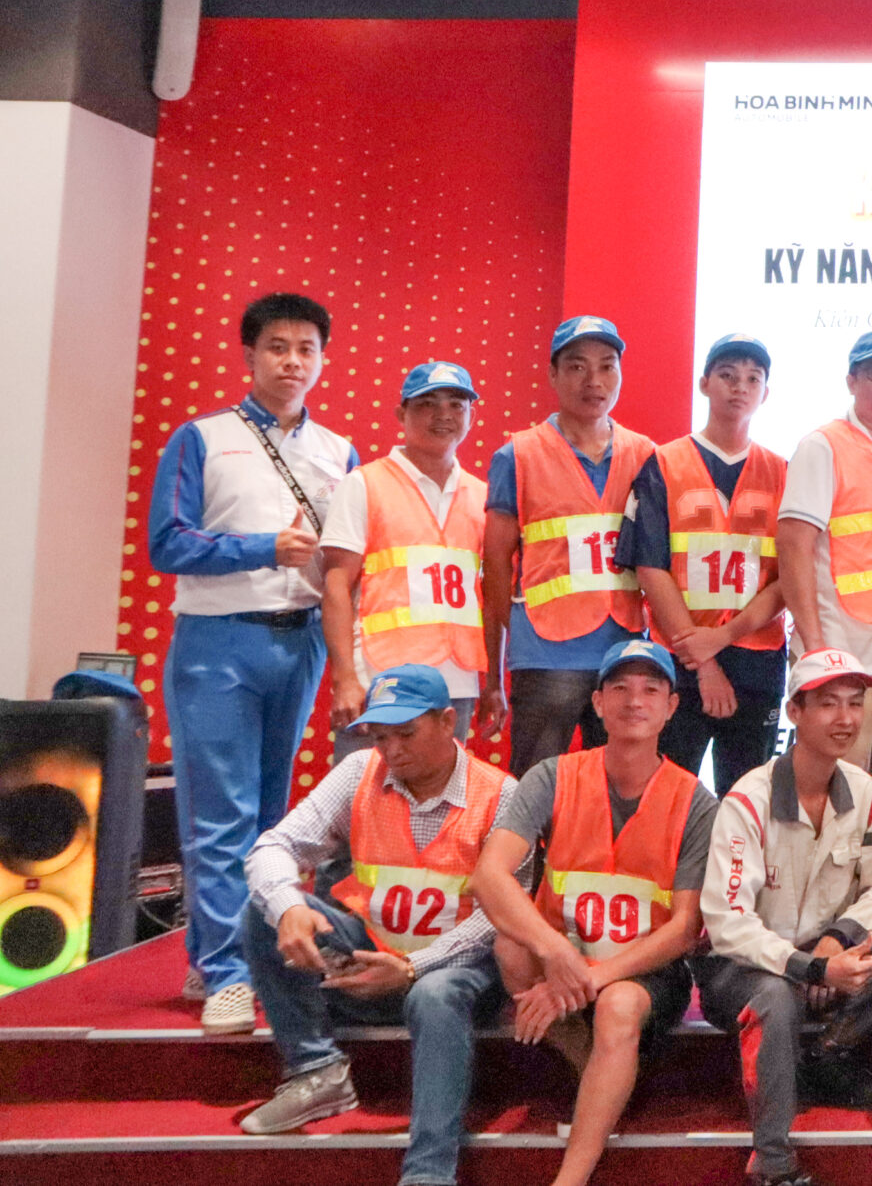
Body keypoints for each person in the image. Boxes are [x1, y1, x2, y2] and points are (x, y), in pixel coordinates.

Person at [150, 290, 359, 1030]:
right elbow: (167, 542)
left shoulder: (338, 452)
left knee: (272, 818)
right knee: (221, 815)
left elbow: (346, 561)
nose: (292, 361)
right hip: (218, 641)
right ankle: (224, 973)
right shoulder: (202, 438)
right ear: (249, 355)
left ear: (322, 360)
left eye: (306, 349)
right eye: (277, 347)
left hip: (299, 641)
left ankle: (248, 956)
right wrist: (260, 547)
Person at [236, 666, 515, 1186]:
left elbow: (502, 918)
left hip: (463, 971)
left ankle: (428, 1174)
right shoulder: (359, 772)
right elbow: (274, 846)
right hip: (366, 955)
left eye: (406, 733)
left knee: (434, 993)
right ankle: (317, 1069)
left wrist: (411, 967)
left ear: (448, 722)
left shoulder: (501, 794)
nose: (392, 750)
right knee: (263, 908)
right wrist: (289, 906)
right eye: (381, 736)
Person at [472, 638, 714, 1186]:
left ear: (672, 707)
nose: (635, 700)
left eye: (651, 689)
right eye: (620, 688)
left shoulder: (696, 800)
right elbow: (488, 876)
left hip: (643, 972)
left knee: (619, 1007)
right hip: (566, 954)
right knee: (510, 948)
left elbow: (684, 929)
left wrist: (591, 977)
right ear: (598, 703)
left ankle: (571, 1177)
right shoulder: (552, 776)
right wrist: (555, 951)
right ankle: (601, 1077)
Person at [697, 648, 872, 1183]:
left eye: (855, 703)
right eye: (828, 704)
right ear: (794, 712)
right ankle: (773, 1164)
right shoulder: (747, 801)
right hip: (743, 971)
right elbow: (728, 924)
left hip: (826, 959)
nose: (845, 718)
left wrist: (835, 941)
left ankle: (828, 1054)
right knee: (774, 996)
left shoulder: (864, 791)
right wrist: (809, 967)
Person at [479, 315, 657, 774]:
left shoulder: (645, 454)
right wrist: (510, 644)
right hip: (545, 653)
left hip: (624, 650)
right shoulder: (518, 454)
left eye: (607, 366)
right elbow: (495, 563)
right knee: (537, 784)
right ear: (553, 375)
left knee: (621, 783)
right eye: (577, 366)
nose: (594, 381)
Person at [619, 334, 790, 795]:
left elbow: (788, 578)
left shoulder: (782, 471)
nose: (740, 387)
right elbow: (650, 568)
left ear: (765, 393)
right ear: (705, 383)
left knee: (749, 797)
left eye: (753, 379)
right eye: (728, 375)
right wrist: (705, 661)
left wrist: (726, 636)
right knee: (667, 795)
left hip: (757, 661)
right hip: (681, 661)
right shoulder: (663, 463)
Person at [779, 329, 872, 828]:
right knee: (830, 802)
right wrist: (816, 650)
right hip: (839, 658)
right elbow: (793, 547)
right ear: (851, 381)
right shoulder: (823, 446)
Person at [319, 361, 487, 762]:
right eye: (427, 403)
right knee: (366, 794)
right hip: (380, 679)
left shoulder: (483, 495)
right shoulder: (364, 484)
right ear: (401, 414)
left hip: (456, 684)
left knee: (443, 795)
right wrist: (345, 679)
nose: (443, 414)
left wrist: (492, 682)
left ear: (472, 415)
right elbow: (336, 585)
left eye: (456, 404)